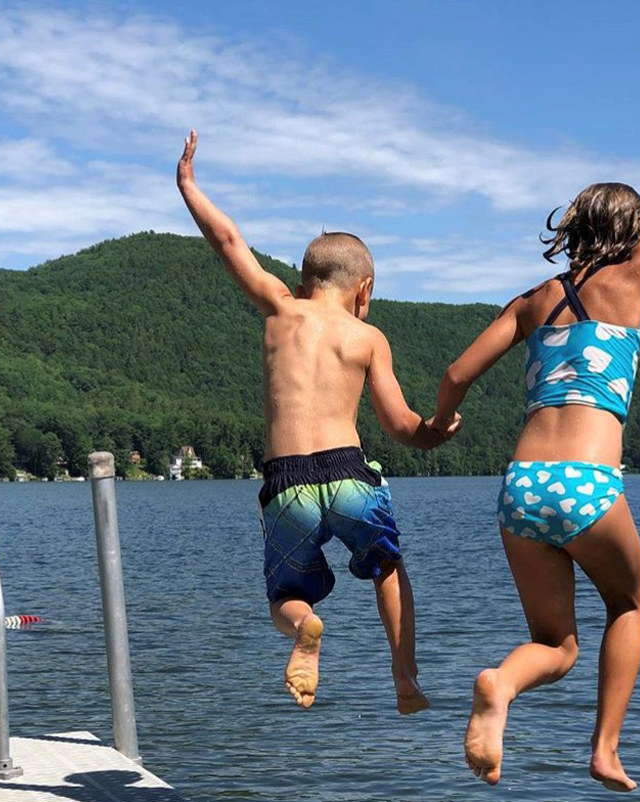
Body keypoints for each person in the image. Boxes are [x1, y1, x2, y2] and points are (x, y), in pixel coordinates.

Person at [432, 115, 640, 791]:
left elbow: (456, 373)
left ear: (571, 229)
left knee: (554, 643)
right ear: (633, 233)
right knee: (628, 604)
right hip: (587, 482)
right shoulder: (636, 275)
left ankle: (501, 683)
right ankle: (603, 748)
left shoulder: (532, 301)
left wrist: (441, 420)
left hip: (519, 486)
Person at [177, 130, 460, 714]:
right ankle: (404, 676)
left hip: (286, 484)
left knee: (284, 593)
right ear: (365, 290)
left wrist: (189, 186)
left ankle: (306, 627)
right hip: (350, 472)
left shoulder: (280, 308)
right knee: (386, 565)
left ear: (305, 282)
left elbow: (228, 240)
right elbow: (402, 424)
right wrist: (435, 431)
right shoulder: (367, 337)